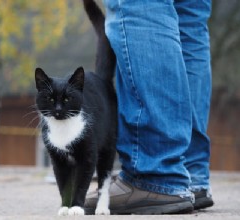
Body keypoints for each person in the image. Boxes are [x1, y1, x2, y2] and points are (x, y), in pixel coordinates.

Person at [85, 0, 214, 214]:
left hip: (155, 172)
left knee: (138, 4)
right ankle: (191, 174)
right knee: (188, 18)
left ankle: (154, 175)